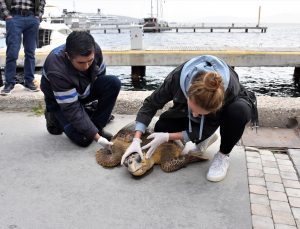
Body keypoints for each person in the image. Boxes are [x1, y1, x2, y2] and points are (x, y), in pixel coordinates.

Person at [121, 55, 258, 182]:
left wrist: (168, 137)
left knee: (238, 112)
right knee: (162, 127)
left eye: (201, 114)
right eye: (194, 110)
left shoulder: (229, 89)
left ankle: (223, 155)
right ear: (188, 94)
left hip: (230, 105)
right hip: (193, 105)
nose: (196, 116)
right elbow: (150, 104)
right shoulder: (175, 79)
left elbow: (207, 127)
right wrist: (136, 139)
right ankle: (204, 138)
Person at [40, 31, 121, 148]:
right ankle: (52, 115)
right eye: (81, 62)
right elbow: (71, 107)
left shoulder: (96, 51)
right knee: (84, 140)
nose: (86, 66)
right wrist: (97, 139)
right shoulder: (56, 68)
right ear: (68, 56)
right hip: (61, 102)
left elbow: (101, 78)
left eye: (90, 61)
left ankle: (96, 126)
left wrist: (95, 130)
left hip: (81, 92)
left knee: (113, 83)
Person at [0, 0, 45, 95]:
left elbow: (42, 1)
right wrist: (7, 15)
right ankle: (9, 83)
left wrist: (38, 15)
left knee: (30, 52)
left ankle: (29, 82)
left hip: (32, 17)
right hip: (14, 17)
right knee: (12, 53)